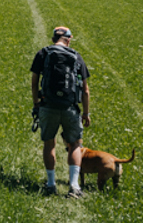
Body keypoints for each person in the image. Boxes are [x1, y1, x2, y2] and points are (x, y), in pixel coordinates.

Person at [31, 26, 91, 198]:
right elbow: (85, 90)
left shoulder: (43, 53)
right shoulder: (76, 57)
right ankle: (74, 186)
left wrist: (36, 103)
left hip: (48, 105)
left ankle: (51, 184)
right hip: (70, 107)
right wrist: (86, 113)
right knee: (74, 145)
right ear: (69, 39)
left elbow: (34, 82)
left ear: (53, 39)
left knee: (49, 143)